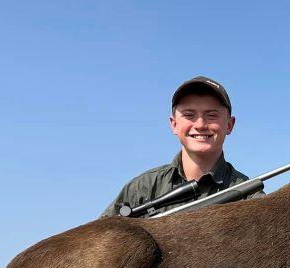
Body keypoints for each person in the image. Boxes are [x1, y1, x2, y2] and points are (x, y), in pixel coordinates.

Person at [100, 76, 258, 218]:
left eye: (212, 115)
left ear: (229, 125)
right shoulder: (142, 188)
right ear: (174, 124)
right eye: (189, 115)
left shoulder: (249, 195)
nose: (200, 125)